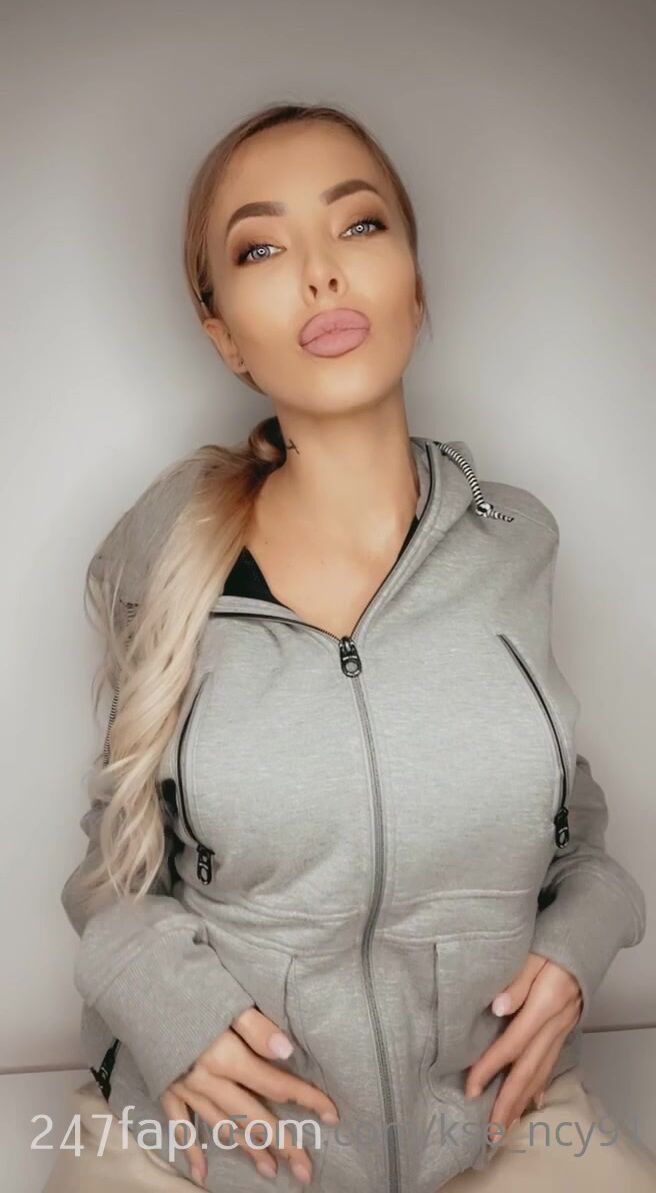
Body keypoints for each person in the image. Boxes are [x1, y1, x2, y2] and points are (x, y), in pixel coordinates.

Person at [45, 101, 655, 1193]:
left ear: (413, 284)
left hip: (493, 1119)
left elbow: (569, 815)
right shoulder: (170, 557)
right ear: (224, 334)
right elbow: (115, 857)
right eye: (261, 248)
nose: (321, 272)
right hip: (209, 1141)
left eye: (359, 225)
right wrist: (168, 1010)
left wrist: (580, 944)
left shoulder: (514, 544)